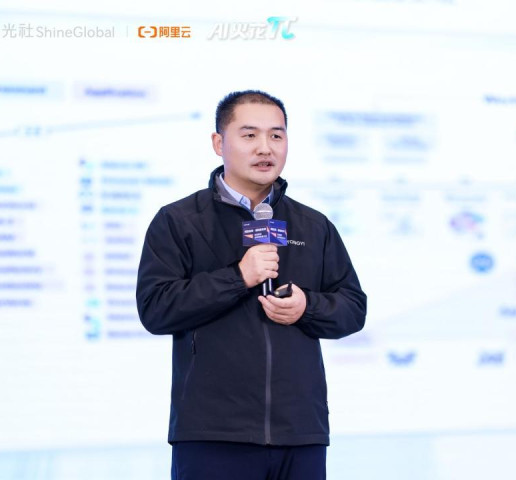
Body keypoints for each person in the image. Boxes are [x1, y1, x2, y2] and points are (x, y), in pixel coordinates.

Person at [136, 90, 367, 480]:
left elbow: (353, 308)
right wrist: (237, 277)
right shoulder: (179, 221)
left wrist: (307, 306)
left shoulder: (314, 225)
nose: (265, 148)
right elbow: (156, 309)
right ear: (218, 143)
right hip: (213, 434)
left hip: (300, 432)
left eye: (276, 135)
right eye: (249, 135)